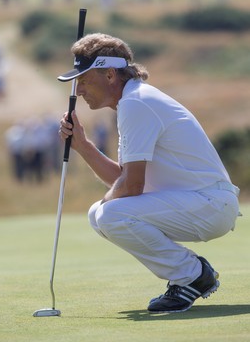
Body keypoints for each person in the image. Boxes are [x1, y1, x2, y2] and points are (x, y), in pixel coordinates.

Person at [59, 33, 240, 314]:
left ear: (109, 75)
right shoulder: (132, 100)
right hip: (199, 202)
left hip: (210, 204)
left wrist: (112, 206)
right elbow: (126, 179)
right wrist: (83, 146)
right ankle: (190, 274)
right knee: (100, 214)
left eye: (83, 79)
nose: (79, 90)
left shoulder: (136, 103)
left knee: (108, 214)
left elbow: (130, 187)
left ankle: (192, 276)